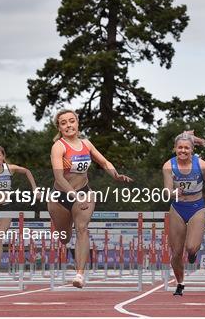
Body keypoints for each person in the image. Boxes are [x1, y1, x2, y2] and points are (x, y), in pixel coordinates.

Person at [48, 109, 132, 288]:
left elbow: (104, 162)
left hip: (84, 192)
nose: (69, 125)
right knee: (64, 237)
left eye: (72, 121)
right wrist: (75, 197)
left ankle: (79, 274)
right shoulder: (59, 146)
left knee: (82, 228)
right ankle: (64, 228)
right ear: (60, 127)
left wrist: (115, 175)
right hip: (60, 196)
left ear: (77, 123)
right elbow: (59, 178)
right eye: (64, 123)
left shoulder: (86, 143)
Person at [162, 132, 205, 296]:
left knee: (191, 247)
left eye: (186, 148)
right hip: (177, 207)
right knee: (175, 253)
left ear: (192, 150)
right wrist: (174, 193)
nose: (183, 151)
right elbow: (166, 191)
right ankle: (180, 283)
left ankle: (193, 253)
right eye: (180, 148)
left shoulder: (202, 166)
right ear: (175, 149)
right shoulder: (168, 166)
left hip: (197, 207)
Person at [0, 145, 39, 281]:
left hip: (5, 208)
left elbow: (27, 171)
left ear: (3, 157)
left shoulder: (10, 168)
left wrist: (35, 189)